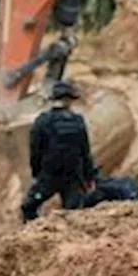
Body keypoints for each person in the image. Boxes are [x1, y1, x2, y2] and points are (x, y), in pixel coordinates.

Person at [22, 79, 93, 222]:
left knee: (28, 206)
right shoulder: (78, 121)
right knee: (74, 214)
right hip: (73, 176)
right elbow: (85, 151)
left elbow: (35, 150)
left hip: (49, 175)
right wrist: (87, 177)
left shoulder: (42, 121)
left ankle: (32, 234)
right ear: (70, 100)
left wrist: (37, 174)